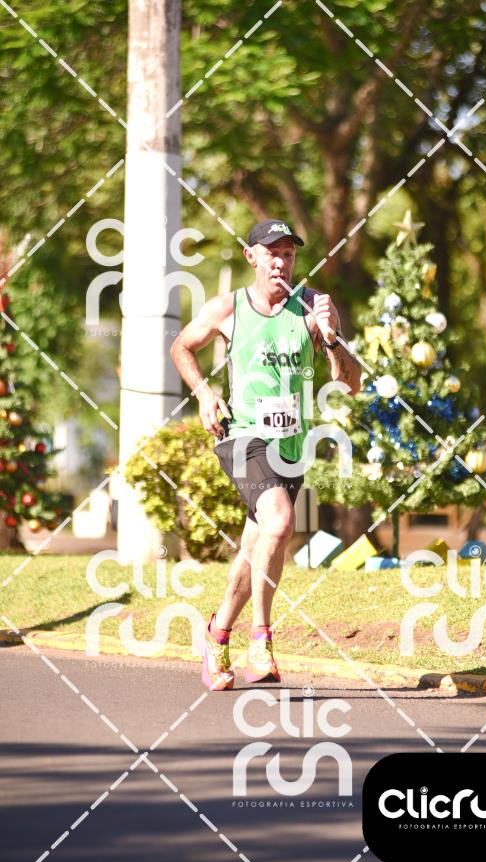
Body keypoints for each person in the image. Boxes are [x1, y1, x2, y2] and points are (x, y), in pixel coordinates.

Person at [170, 218, 361, 690]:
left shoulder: (312, 307)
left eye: (288, 254)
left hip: (291, 446)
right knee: (279, 521)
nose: (281, 262)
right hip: (241, 435)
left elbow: (350, 383)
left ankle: (216, 634)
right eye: (272, 253)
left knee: (255, 546)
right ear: (251, 256)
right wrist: (203, 392)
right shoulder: (228, 308)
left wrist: (331, 338)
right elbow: (181, 347)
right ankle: (261, 639)